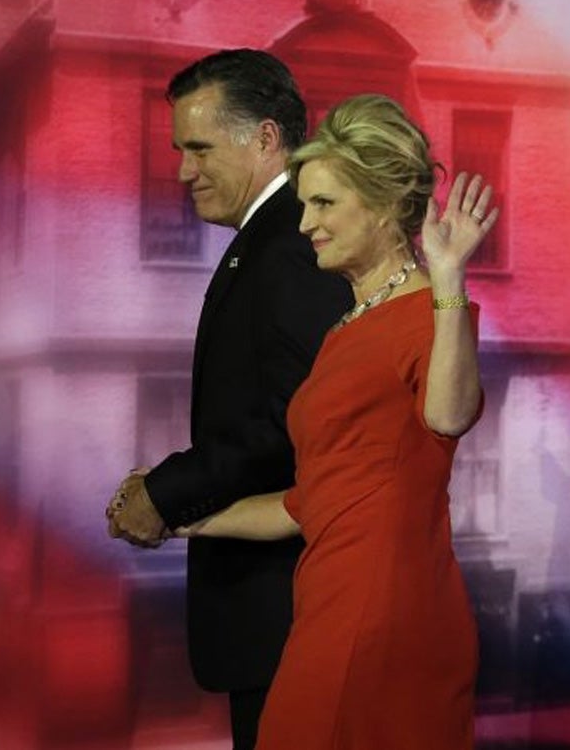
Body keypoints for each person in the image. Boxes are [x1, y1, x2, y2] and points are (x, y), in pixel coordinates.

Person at [173, 93, 500, 750]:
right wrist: (183, 514)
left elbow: (448, 415)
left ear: (381, 207)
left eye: (324, 204)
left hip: (381, 610)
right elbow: (312, 500)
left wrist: (449, 276)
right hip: (332, 599)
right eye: (304, 205)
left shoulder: (430, 311)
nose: (305, 225)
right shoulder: (347, 326)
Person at [105, 49, 353, 750]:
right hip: (270, 612)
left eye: (200, 148)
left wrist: (166, 492)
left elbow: (294, 418)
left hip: (292, 609)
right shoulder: (268, 240)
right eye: (180, 150)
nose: (184, 171)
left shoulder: (295, 243)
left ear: (267, 138)